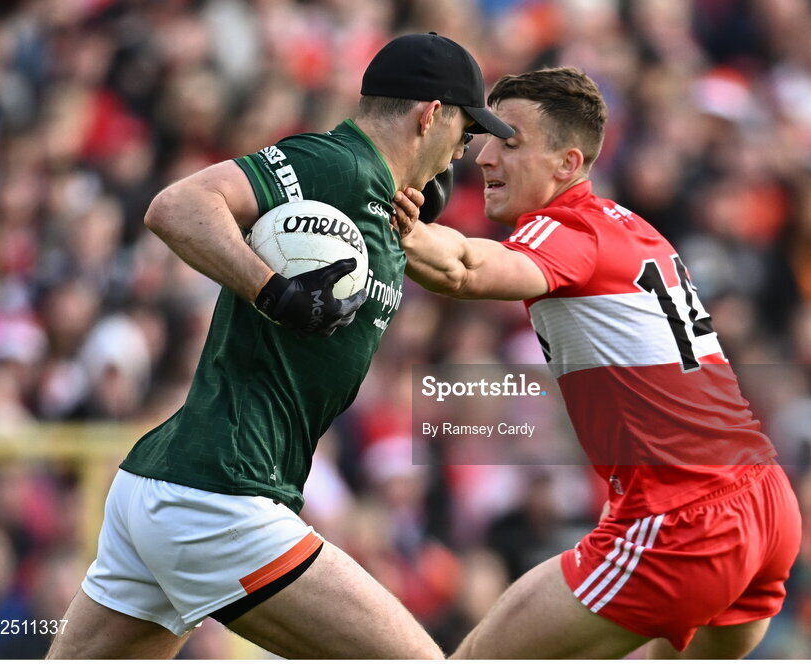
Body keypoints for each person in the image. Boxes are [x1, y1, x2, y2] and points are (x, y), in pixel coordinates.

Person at [47, 33, 513, 659]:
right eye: (464, 126)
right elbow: (177, 205)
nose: (466, 145)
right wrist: (273, 291)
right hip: (221, 494)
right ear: (429, 115)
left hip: (166, 486)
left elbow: (454, 265)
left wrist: (409, 214)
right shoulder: (336, 166)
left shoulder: (378, 193)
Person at [394, 67, 802, 659]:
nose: (482, 157)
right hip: (764, 502)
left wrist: (382, 215)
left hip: (685, 519)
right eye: (484, 139)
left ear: (567, 164)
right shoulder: (630, 224)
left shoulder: (567, 227)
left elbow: (463, 269)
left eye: (509, 142)